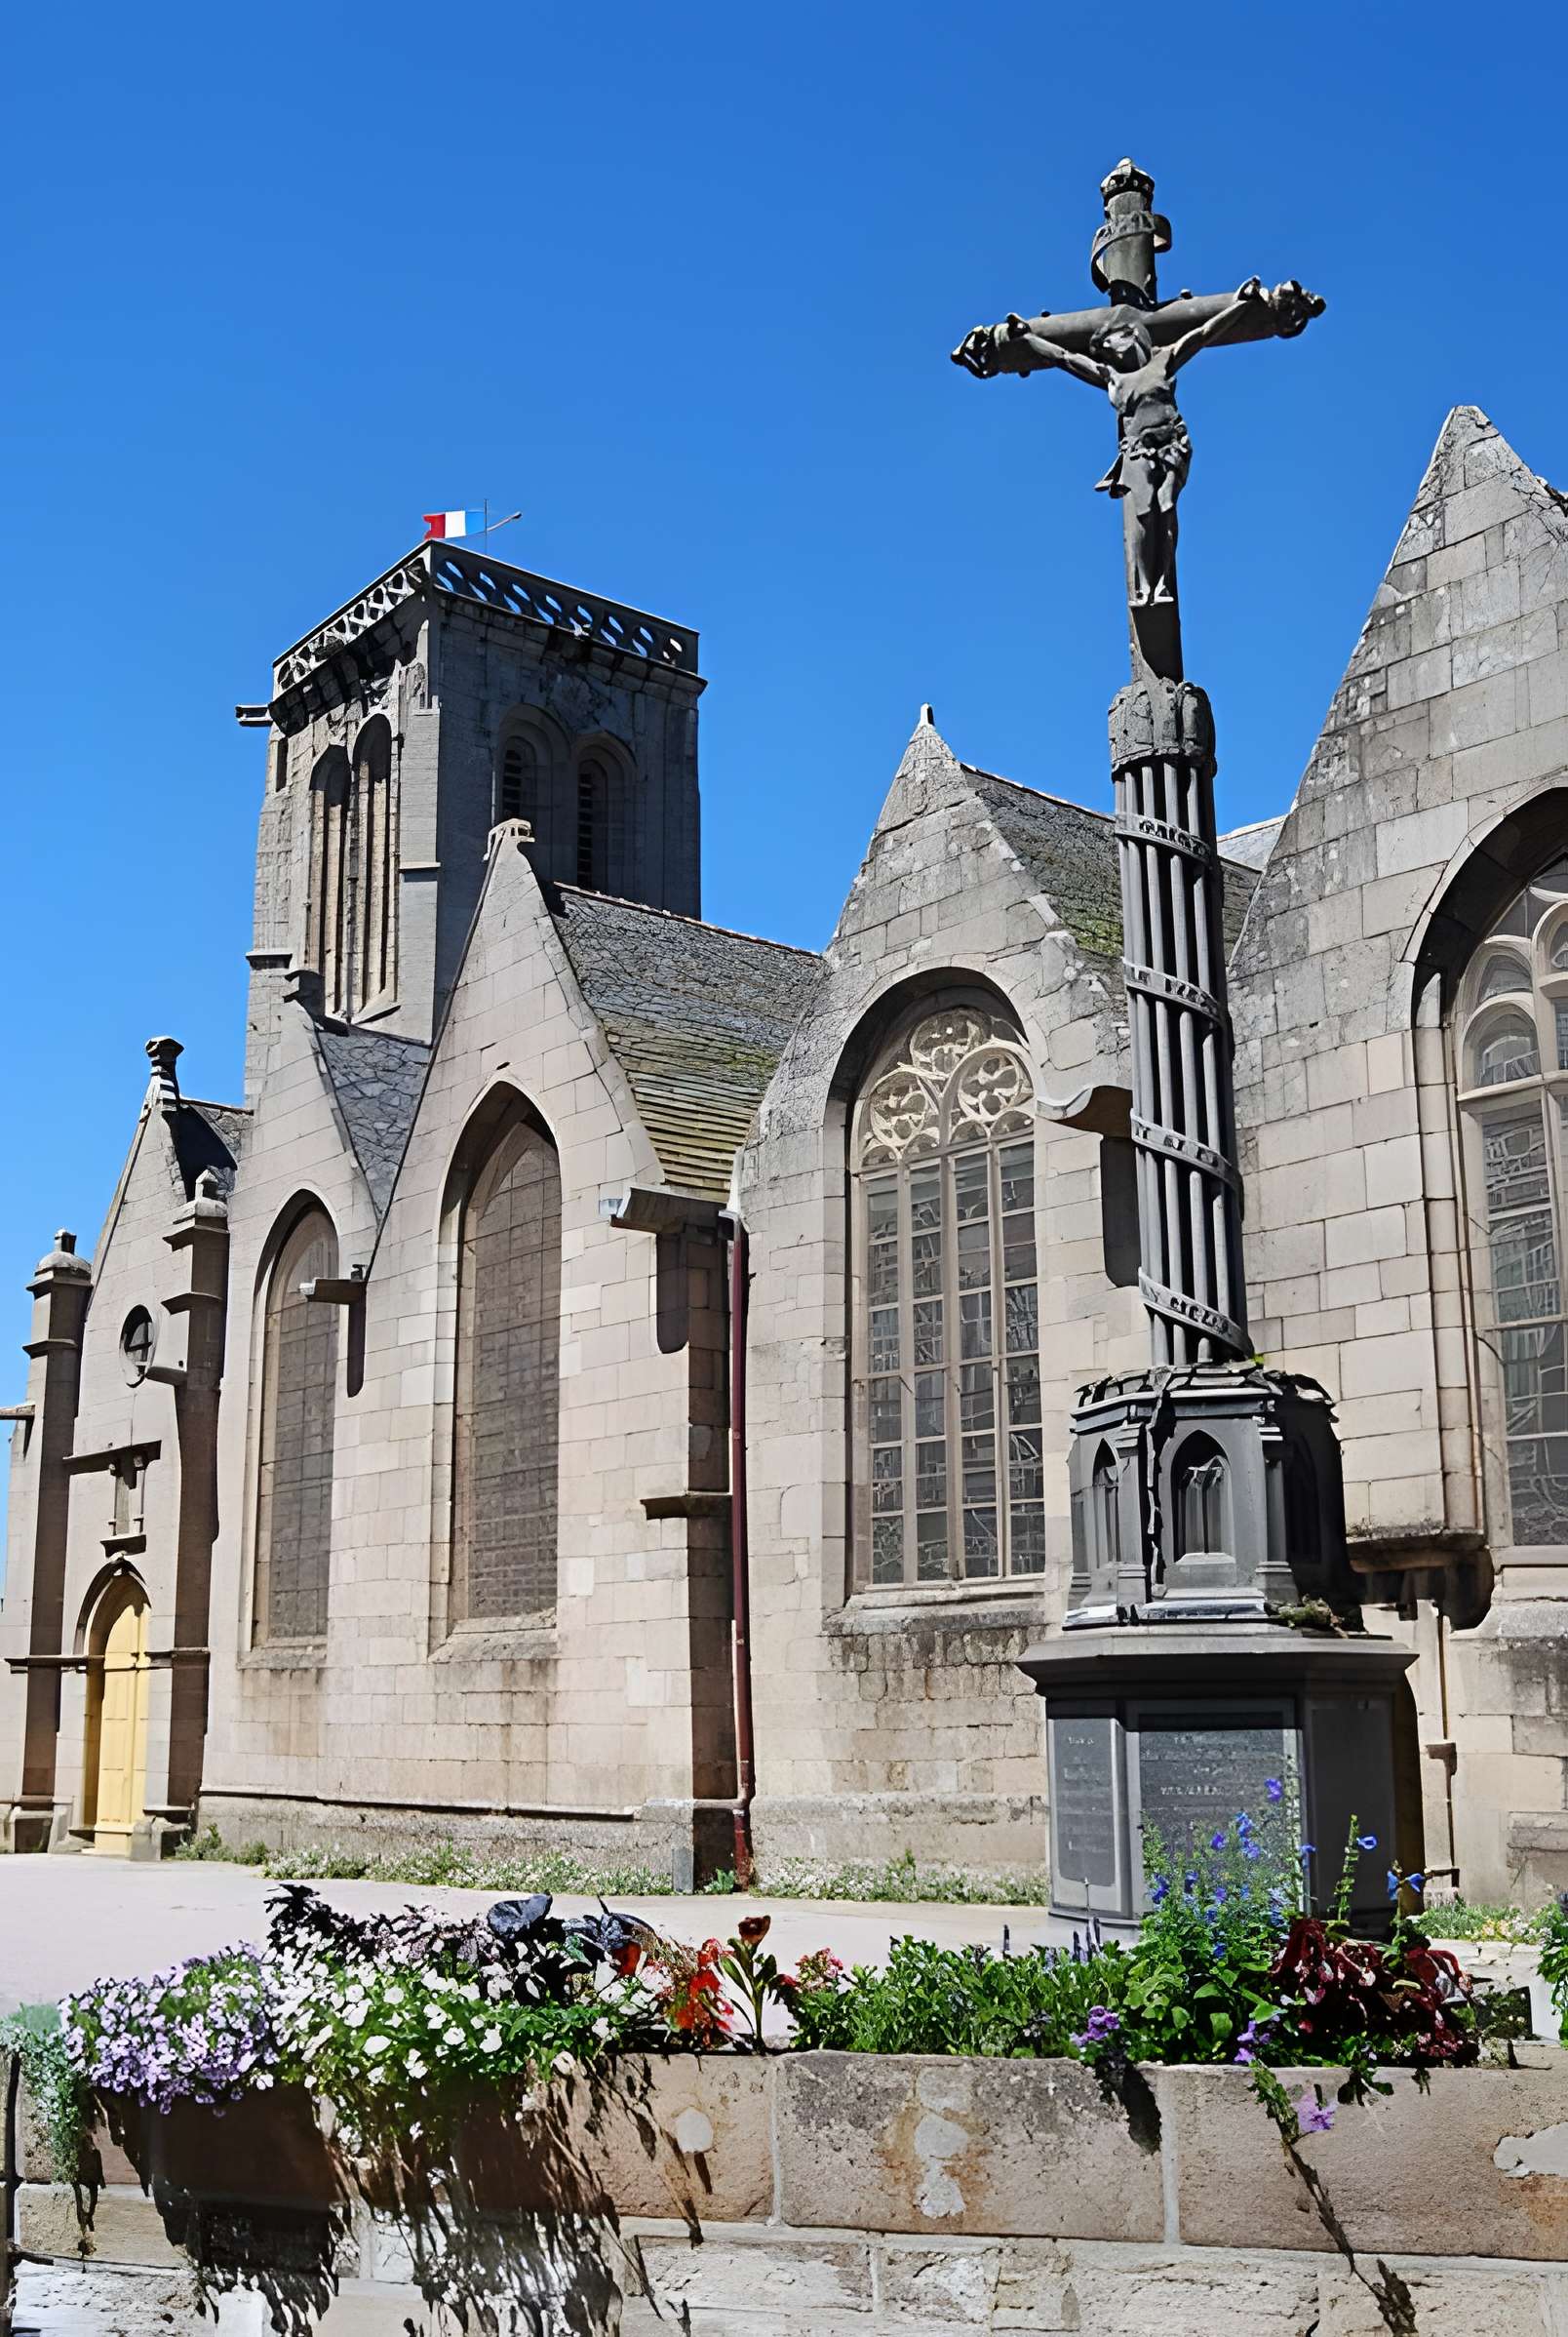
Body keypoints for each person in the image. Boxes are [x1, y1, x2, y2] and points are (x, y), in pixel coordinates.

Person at [952, 280, 1269, 606]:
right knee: (1144, 511)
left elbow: (1202, 334)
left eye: (1113, 340)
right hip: (1137, 451)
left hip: (1170, 443)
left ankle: (1162, 583)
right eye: (1105, 345)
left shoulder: (1163, 360)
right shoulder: (1112, 378)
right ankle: (1143, 584)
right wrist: (1028, 337)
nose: (1109, 348)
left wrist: (1241, 305)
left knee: (1167, 505)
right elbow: (1063, 357)